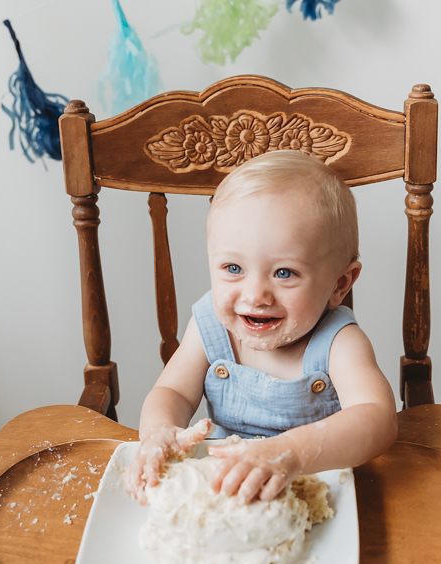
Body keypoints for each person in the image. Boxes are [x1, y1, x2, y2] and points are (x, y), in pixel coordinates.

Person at [123, 150, 398, 505]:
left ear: (339, 285)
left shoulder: (339, 343)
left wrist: (293, 452)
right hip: (223, 486)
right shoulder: (211, 326)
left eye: (284, 273)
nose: (254, 295)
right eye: (233, 268)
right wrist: (159, 433)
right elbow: (172, 392)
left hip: (315, 490)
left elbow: (377, 419)